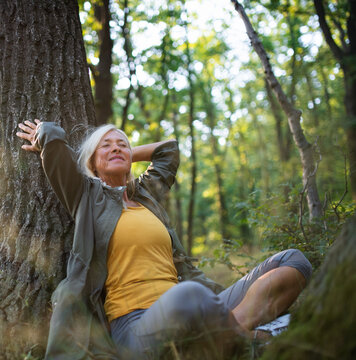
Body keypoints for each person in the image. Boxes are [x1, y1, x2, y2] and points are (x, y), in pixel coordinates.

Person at [17, 120, 312, 359]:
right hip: (136, 327)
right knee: (190, 297)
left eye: (123, 145)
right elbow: (55, 142)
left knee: (293, 262)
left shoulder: (146, 195)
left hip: (196, 306)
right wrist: (44, 132)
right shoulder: (85, 196)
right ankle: (249, 341)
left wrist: (126, 151)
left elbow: (168, 151)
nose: (116, 148)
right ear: (92, 162)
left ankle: (230, 334)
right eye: (105, 146)